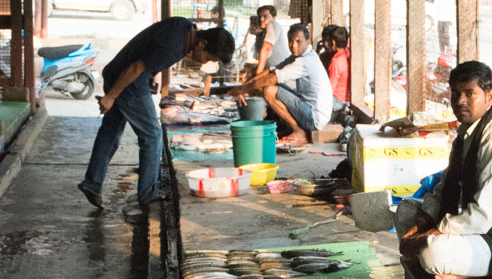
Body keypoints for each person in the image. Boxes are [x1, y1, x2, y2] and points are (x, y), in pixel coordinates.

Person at [398, 60, 492, 279]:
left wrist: (432, 234)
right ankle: (453, 267)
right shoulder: (468, 132)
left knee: (432, 253)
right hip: (481, 230)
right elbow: (444, 188)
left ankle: (464, 267)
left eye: (470, 93)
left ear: (490, 97)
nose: (460, 101)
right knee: (406, 211)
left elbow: (482, 215)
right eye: (456, 93)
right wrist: (423, 221)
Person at [79, 20, 234, 215]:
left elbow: (149, 50)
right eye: (208, 57)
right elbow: (135, 68)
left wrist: (152, 75)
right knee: (152, 136)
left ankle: (92, 183)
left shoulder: (183, 28)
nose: (205, 62)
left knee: (110, 132)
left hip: (119, 72)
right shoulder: (174, 45)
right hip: (129, 80)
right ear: (202, 44)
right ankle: (148, 193)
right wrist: (110, 97)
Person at [239, 22, 333, 146]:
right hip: (309, 109)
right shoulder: (302, 55)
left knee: (269, 90)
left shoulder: (305, 61)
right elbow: (272, 70)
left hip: (314, 117)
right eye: (290, 41)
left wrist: (243, 89)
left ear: (308, 42)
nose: (293, 45)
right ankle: (289, 126)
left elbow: (271, 79)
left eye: (298, 41)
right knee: (267, 87)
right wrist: (246, 83)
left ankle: (298, 131)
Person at [320, 24, 350, 104]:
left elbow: (330, 87)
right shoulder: (344, 55)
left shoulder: (336, 60)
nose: (326, 44)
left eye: (328, 41)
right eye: (324, 41)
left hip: (337, 99)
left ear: (333, 42)